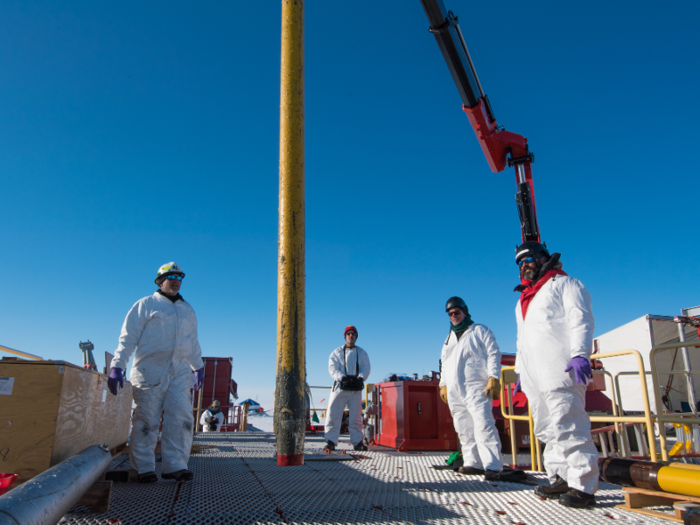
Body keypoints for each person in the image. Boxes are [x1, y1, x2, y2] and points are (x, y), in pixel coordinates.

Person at [513, 242, 598, 508]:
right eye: (520, 262)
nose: (524, 265)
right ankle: (560, 476)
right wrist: (519, 372)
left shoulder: (565, 284)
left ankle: (583, 486)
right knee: (546, 428)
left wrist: (580, 354)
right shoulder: (525, 298)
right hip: (533, 373)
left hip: (560, 368)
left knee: (569, 424)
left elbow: (581, 319)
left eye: (529, 259)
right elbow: (522, 340)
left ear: (544, 259)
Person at [108, 262, 205, 483]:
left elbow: (192, 342)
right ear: (160, 281)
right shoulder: (145, 305)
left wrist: (197, 366)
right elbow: (128, 338)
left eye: (180, 277)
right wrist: (117, 366)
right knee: (146, 420)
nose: (176, 281)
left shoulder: (187, 309)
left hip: (179, 371)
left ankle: (175, 466)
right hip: (149, 370)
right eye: (171, 276)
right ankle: (143, 469)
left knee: (180, 418)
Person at [439, 296, 503, 481]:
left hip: (475, 386)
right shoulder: (448, 339)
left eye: (456, 312)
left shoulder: (480, 331)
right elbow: (444, 362)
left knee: (483, 424)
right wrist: (443, 384)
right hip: (454, 389)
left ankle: (492, 466)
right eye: (450, 314)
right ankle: (472, 462)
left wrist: (494, 376)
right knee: (463, 426)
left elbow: (493, 352)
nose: (453, 316)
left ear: (465, 311)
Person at [324, 326, 371, 452]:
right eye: (349, 333)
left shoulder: (362, 353)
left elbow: (366, 367)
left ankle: (357, 442)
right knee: (334, 414)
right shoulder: (336, 352)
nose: (351, 336)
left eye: (353, 334)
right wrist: (341, 377)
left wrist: (361, 378)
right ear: (345, 336)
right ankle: (331, 441)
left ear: (356, 336)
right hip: (340, 388)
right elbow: (332, 368)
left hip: (355, 389)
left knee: (356, 416)